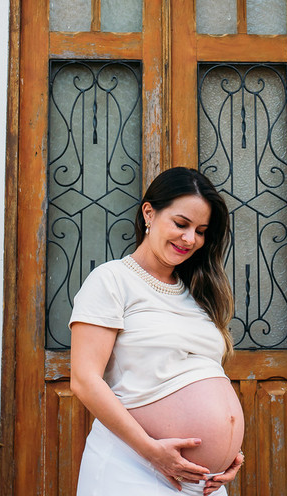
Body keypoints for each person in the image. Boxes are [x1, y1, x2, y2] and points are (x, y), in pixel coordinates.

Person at [69, 166, 246, 495]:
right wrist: (153, 452)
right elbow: (84, 381)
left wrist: (227, 456)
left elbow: (198, 376)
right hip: (134, 467)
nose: (190, 239)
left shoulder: (198, 292)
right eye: (181, 224)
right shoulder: (112, 281)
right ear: (149, 213)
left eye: (201, 230)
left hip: (201, 482)